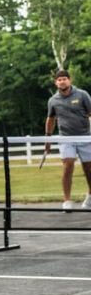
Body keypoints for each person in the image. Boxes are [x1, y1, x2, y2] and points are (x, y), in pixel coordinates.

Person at [44, 69, 91, 211]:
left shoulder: (82, 95)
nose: (62, 81)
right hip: (65, 138)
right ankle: (67, 201)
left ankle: (90, 196)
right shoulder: (53, 100)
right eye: (59, 79)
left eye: (64, 78)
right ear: (55, 83)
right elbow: (50, 119)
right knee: (68, 165)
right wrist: (48, 138)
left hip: (85, 136)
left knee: (89, 169)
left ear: (70, 80)